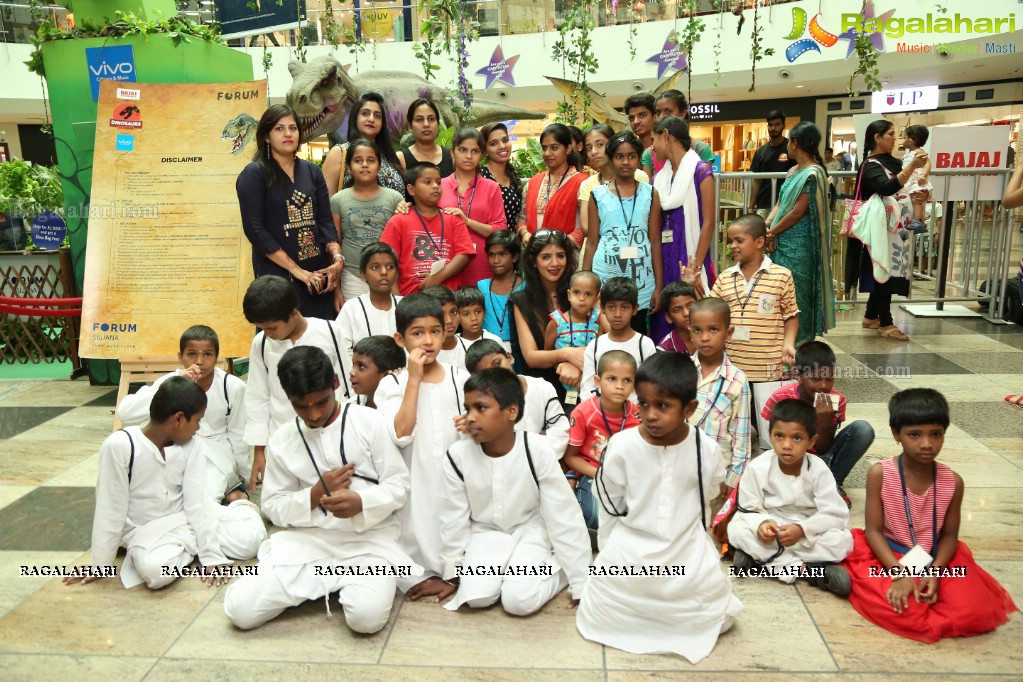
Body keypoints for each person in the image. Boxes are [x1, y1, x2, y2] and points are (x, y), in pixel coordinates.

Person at [223, 347, 418, 634]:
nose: (313, 414)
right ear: (289, 400)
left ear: (335, 383)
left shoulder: (369, 422)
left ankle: (332, 585)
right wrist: (313, 496)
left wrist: (361, 502)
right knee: (240, 610)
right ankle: (324, 582)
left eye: (321, 402)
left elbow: (399, 485)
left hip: (369, 543)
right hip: (308, 542)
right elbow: (273, 506)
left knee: (366, 619)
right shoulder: (283, 439)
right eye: (302, 406)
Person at [576, 352, 743, 662]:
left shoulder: (705, 449)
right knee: (605, 605)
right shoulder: (622, 446)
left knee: (716, 614)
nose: (650, 414)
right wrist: (615, 553)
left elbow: (707, 496)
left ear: (689, 409)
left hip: (685, 549)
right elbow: (611, 504)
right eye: (643, 404)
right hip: (632, 547)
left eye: (663, 406)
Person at [843, 388, 1018, 643]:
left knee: (972, 609)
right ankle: (840, 579)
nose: (926, 444)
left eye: (936, 434)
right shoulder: (881, 474)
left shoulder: (953, 482)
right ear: (896, 435)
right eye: (915, 435)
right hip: (888, 555)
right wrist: (900, 574)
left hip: (935, 556)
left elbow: (949, 536)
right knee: (902, 608)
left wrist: (935, 573)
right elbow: (873, 531)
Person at [66, 377, 265, 589]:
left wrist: (212, 556)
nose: (198, 429)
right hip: (146, 531)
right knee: (156, 574)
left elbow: (196, 502)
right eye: (197, 421)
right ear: (178, 419)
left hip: (187, 518)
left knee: (250, 542)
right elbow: (110, 509)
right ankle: (188, 545)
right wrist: (100, 564)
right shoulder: (120, 446)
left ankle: (237, 508)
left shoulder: (192, 444)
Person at [438, 368, 591, 613]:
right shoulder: (457, 456)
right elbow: (452, 518)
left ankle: (558, 569)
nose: (471, 418)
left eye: (481, 408)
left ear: (511, 411)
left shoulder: (537, 450)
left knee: (518, 601)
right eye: (468, 409)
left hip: (531, 530)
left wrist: (580, 581)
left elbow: (564, 516)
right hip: (485, 534)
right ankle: (507, 574)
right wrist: (453, 574)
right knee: (476, 597)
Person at [375, 294, 471, 601]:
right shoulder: (391, 385)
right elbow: (401, 433)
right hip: (414, 488)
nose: (428, 341)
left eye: (435, 331)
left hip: (454, 485)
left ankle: (454, 574)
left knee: (456, 533)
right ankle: (429, 572)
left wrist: (472, 425)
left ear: (446, 333)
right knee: (414, 548)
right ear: (400, 338)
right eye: (417, 333)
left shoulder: (461, 379)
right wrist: (414, 380)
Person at [729, 399, 854, 594]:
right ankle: (808, 570)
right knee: (737, 530)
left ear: (811, 441)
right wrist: (762, 525)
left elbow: (835, 514)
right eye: (779, 436)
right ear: (770, 436)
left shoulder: (818, 469)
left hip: (807, 528)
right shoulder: (757, 467)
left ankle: (760, 561)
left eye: (796, 438)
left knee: (843, 542)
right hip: (772, 526)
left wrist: (802, 529)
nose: (786, 445)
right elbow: (749, 508)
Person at [116, 325, 249, 504]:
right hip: (177, 449)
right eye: (192, 354)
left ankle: (229, 489)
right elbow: (126, 413)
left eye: (207, 354)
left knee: (205, 495)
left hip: (217, 454)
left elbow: (238, 434)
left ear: (217, 357)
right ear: (181, 357)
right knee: (161, 493)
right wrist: (173, 386)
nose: (200, 361)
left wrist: (244, 474)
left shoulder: (232, 387)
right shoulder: (170, 382)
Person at [237, 105, 343, 318]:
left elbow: (324, 221)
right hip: (278, 278)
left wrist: (337, 259)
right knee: (282, 339)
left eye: (293, 128)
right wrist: (296, 271)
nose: (288, 134)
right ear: (266, 136)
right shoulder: (254, 174)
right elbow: (255, 230)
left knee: (320, 343)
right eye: (279, 128)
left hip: (317, 277)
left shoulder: (312, 171)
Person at [243, 275, 348, 491]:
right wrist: (259, 452)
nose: (268, 334)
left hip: (329, 432)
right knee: (287, 504)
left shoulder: (329, 331)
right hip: (283, 439)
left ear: (293, 313)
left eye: (271, 328)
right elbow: (257, 398)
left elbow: (347, 385)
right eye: (261, 328)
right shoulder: (261, 344)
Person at [760, 341, 875, 506]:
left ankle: (833, 481)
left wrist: (825, 421)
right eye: (815, 379)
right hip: (789, 456)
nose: (823, 386)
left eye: (829, 379)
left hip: (822, 456)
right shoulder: (781, 398)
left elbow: (823, 449)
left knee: (863, 429)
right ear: (799, 375)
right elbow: (774, 441)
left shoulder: (837, 400)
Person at [845, 119, 928, 341]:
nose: (895, 139)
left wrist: (921, 196)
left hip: (897, 232)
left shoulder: (893, 162)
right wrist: (911, 167)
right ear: (877, 138)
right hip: (881, 231)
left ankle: (872, 316)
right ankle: (886, 322)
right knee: (883, 270)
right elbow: (886, 187)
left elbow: (905, 187)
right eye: (891, 134)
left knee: (888, 271)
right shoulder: (871, 165)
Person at [765, 121, 836, 346]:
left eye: (789, 141)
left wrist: (771, 232)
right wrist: (766, 225)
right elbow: (781, 203)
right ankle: (783, 340)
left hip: (800, 245)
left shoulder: (813, 174)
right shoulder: (794, 171)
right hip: (782, 239)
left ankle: (800, 342)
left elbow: (797, 212)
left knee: (798, 292)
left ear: (795, 144)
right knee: (781, 292)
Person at [584, 131, 663, 331]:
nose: (625, 162)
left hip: (642, 281)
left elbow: (654, 241)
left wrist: (659, 286)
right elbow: (592, 241)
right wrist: (586, 283)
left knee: (637, 334)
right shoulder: (598, 195)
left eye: (631, 156)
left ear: (638, 158)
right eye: (619, 156)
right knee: (606, 335)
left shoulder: (650, 193)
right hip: (605, 275)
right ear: (611, 159)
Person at [709, 213, 798, 384]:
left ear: (759, 242)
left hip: (768, 371)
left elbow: (791, 315)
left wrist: (788, 344)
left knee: (763, 411)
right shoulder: (725, 277)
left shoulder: (782, 276)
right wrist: (695, 285)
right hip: (732, 371)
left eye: (739, 241)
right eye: (731, 241)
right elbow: (711, 312)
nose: (732, 246)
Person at [651, 115, 716, 341]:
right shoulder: (659, 178)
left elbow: (709, 223)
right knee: (668, 314)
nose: (652, 147)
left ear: (666, 136)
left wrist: (696, 268)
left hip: (690, 257)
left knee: (693, 315)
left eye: (654, 139)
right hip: (667, 257)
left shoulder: (701, 172)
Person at [564, 350, 641, 530]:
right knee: (593, 517)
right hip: (592, 473)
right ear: (598, 382)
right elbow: (571, 457)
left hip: (626, 477)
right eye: (612, 379)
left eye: (627, 380)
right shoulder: (583, 412)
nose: (620, 386)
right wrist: (600, 473)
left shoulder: (637, 416)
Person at [510, 229, 585, 407]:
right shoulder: (521, 300)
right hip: (542, 391)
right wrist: (566, 355)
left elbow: (599, 339)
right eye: (545, 257)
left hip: (584, 382)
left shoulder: (580, 292)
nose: (555, 263)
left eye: (560, 255)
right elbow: (531, 357)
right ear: (533, 261)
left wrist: (577, 365)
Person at [688, 298, 751, 497]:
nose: (705, 337)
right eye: (698, 330)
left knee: (712, 523)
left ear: (728, 332)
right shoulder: (682, 371)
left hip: (718, 472)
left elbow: (741, 433)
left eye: (713, 329)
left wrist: (735, 476)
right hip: (681, 467)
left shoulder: (737, 380)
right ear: (691, 332)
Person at [380, 163, 475, 295]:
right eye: (427, 182)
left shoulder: (453, 218)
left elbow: (464, 254)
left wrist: (438, 277)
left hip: (448, 298)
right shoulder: (399, 220)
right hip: (412, 299)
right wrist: (396, 301)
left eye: (438, 182)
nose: (435, 186)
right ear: (411, 190)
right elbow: (386, 260)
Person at [464, 339, 570, 458]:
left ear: (509, 357)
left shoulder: (542, 387)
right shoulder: (480, 407)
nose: (496, 373)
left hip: (543, 466)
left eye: (497, 363)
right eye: (486, 373)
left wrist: (533, 457)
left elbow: (560, 431)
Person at [329, 139, 404, 302]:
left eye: (370, 160)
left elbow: (401, 241)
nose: (364, 165)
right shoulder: (338, 200)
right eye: (358, 160)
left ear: (379, 166)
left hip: (389, 274)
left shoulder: (394, 198)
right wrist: (337, 289)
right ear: (349, 167)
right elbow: (335, 243)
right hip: (353, 276)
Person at [439, 128, 507, 286]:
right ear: (452, 152)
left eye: (475, 151)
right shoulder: (439, 185)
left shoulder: (491, 187)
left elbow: (500, 228)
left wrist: (467, 221)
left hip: (482, 265)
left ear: (482, 155)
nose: (468, 156)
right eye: (462, 150)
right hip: (445, 266)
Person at [579, 277, 658, 400]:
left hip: (635, 415)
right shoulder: (595, 346)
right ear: (602, 309)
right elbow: (587, 390)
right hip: (602, 415)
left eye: (624, 307)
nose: (617, 314)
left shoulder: (645, 345)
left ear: (635, 309)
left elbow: (652, 387)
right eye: (611, 307)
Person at [336, 242, 401, 382]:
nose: (384, 272)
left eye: (390, 267)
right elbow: (342, 350)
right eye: (375, 267)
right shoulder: (352, 308)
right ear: (363, 275)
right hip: (364, 383)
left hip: (403, 381)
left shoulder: (404, 306)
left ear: (397, 274)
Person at [322, 91, 405, 196]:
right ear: (355, 117)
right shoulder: (340, 153)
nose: (371, 119)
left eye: (377, 116)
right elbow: (326, 201)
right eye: (365, 113)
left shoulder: (392, 157)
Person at [579, 125, 651, 245]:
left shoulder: (639, 177)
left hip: (636, 250)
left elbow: (645, 221)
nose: (594, 152)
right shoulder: (588, 184)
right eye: (589, 148)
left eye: (600, 145)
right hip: (598, 252)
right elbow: (586, 228)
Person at [518, 124, 588, 248]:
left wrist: (561, 244)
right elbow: (522, 217)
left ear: (568, 149)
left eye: (554, 148)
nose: (547, 153)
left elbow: (589, 225)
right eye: (544, 148)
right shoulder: (532, 182)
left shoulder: (583, 183)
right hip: (535, 255)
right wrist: (525, 234)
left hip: (567, 256)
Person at [545, 270, 607, 401]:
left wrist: (600, 309)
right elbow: (548, 353)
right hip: (564, 385)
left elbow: (613, 336)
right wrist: (562, 367)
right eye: (576, 292)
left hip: (593, 387)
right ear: (569, 294)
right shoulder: (557, 321)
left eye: (588, 294)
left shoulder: (599, 319)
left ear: (597, 297)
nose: (582, 298)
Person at [641, 89, 714, 177]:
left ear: (683, 113)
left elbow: (704, 186)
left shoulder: (701, 149)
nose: (661, 117)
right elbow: (648, 189)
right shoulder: (650, 153)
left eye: (668, 111)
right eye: (658, 112)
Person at [477, 229, 523, 354]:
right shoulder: (482, 287)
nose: (496, 260)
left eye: (502, 254)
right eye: (491, 255)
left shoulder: (525, 287)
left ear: (514, 257)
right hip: (488, 350)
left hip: (519, 350)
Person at [748, 110, 797, 215]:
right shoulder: (761, 152)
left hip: (786, 204)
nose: (773, 128)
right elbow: (756, 181)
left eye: (777, 124)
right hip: (764, 205)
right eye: (770, 125)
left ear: (783, 126)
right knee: (763, 231)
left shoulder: (791, 148)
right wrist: (751, 206)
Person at [480, 123, 525, 230]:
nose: (502, 146)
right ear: (485, 151)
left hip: (512, 243)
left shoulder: (512, 175)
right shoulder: (480, 177)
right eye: (494, 143)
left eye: (505, 140)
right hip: (489, 243)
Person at [397, 99, 454, 177]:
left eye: (431, 119)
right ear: (410, 126)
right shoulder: (401, 159)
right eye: (419, 119)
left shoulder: (451, 156)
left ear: (438, 124)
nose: (426, 124)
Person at [422, 285, 471, 368]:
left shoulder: (471, 349)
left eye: (453, 312)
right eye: (441, 314)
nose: (449, 321)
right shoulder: (415, 356)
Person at [350, 335, 406, 408]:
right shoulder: (350, 408)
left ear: (387, 376)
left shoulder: (404, 410)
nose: (352, 372)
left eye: (361, 366)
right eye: (353, 365)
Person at [898, 124, 933, 235]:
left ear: (911, 140)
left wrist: (924, 175)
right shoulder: (909, 153)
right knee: (914, 200)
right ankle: (917, 220)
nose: (903, 140)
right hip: (910, 181)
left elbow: (928, 163)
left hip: (916, 181)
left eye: (905, 137)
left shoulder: (919, 152)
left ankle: (918, 221)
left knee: (916, 200)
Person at [656, 280, 697, 353]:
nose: (686, 313)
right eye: (677, 310)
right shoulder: (664, 351)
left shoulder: (712, 336)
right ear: (669, 317)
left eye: (690, 305)